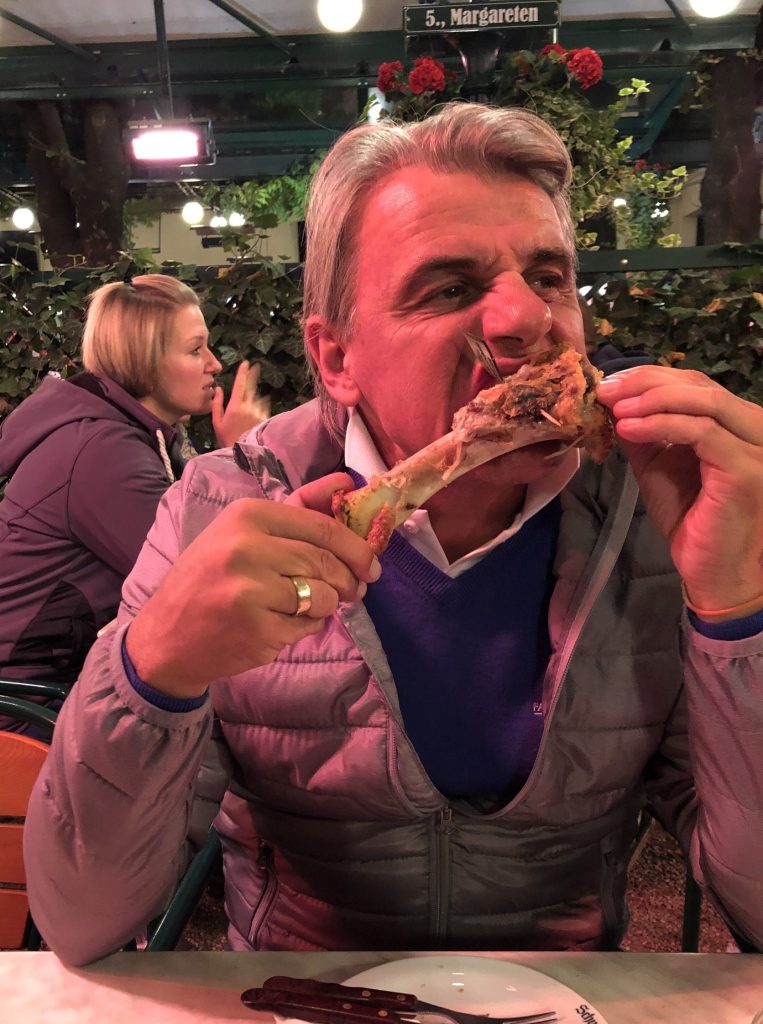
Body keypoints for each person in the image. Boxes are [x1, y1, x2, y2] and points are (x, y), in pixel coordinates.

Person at [24, 103, 763, 966]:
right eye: (449, 287)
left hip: (565, 998)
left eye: (548, 276)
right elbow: (82, 920)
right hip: (297, 995)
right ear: (336, 358)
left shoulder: (662, 507)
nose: (527, 319)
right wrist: (152, 670)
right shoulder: (218, 507)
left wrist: (738, 612)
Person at [0, 274, 268, 690]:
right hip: (35, 702)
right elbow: (212, 579)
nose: (215, 364)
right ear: (145, 362)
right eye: (195, 349)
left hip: (71, 680)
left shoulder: (138, 432)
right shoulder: (102, 451)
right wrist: (244, 455)